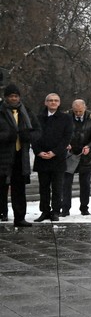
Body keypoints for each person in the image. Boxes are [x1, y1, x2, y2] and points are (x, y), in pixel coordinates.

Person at [0, 84, 40, 227]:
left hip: (20, 156)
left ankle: (20, 217)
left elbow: (37, 131)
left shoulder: (26, 112)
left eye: (16, 96)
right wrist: (7, 136)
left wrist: (27, 136)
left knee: (19, 189)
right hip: (3, 156)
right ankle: (2, 213)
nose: (14, 99)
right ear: (6, 98)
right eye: (11, 96)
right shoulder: (1, 111)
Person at [33, 93, 71, 222]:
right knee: (43, 187)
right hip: (41, 158)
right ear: (46, 103)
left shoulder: (65, 118)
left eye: (56, 100)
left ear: (59, 103)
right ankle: (44, 211)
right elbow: (33, 137)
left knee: (57, 188)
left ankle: (55, 211)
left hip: (58, 159)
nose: (53, 102)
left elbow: (66, 138)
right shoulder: (38, 118)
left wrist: (54, 152)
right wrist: (38, 152)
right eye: (50, 100)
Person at [62, 99, 91, 216]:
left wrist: (89, 146)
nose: (78, 113)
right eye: (76, 111)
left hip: (85, 156)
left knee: (85, 184)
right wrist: (66, 143)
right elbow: (61, 134)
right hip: (70, 155)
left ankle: (84, 208)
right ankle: (65, 209)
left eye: (80, 111)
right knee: (66, 184)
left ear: (85, 108)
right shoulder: (66, 118)